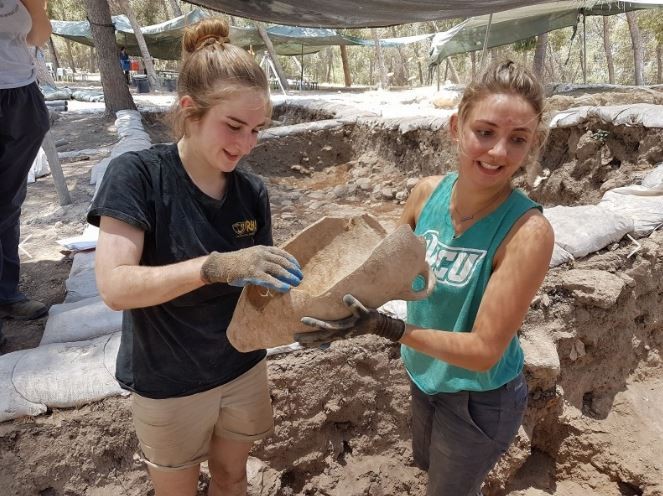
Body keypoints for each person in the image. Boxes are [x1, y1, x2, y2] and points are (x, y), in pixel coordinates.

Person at [296, 60, 554, 495]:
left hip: (478, 398)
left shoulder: (527, 232)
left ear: (532, 146)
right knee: (436, 476)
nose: (497, 152)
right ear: (457, 127)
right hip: (424, 376)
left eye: (518, 140)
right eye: (485, 132)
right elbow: (383, 276)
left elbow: (483, 352)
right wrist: (326, 313)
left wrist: (385, 327)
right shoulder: (425, 195)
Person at [88, 18, 303, 496]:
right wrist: (213, 267)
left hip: (239, 367)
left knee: (231, 477)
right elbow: (115, 286)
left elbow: (264, 293)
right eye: (233, 126)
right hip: (168, 378)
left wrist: (312, 311)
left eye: (256, 129)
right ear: (190, 110)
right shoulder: (139, 176)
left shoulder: (250, 191)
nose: (246, 145)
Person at [0, 0, 52, 349]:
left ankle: (7, 293)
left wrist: (36, 5)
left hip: (20, 93)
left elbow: (37, 36)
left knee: (8, 202)